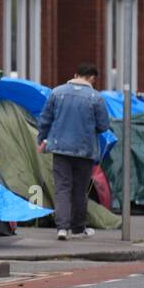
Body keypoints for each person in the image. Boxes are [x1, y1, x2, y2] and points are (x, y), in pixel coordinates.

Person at [37, 63, 111, 240]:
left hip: (60, 148)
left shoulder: (57, 92)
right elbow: (103, 126)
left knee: (62, 188)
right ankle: (78, 228)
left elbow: (45, 119)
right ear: (91, 78)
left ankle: (62, 228)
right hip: (84, 150)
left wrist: (41, 139)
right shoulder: (96, 97)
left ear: (75, 74)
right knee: (79, 190)